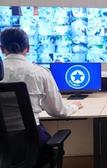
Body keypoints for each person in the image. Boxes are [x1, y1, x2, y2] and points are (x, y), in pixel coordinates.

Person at [0, 27, 83, 167]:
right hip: (29, 144)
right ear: (28, 48)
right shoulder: (39, 72)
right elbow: (58, 111)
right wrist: (74, 106)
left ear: (2, 49)